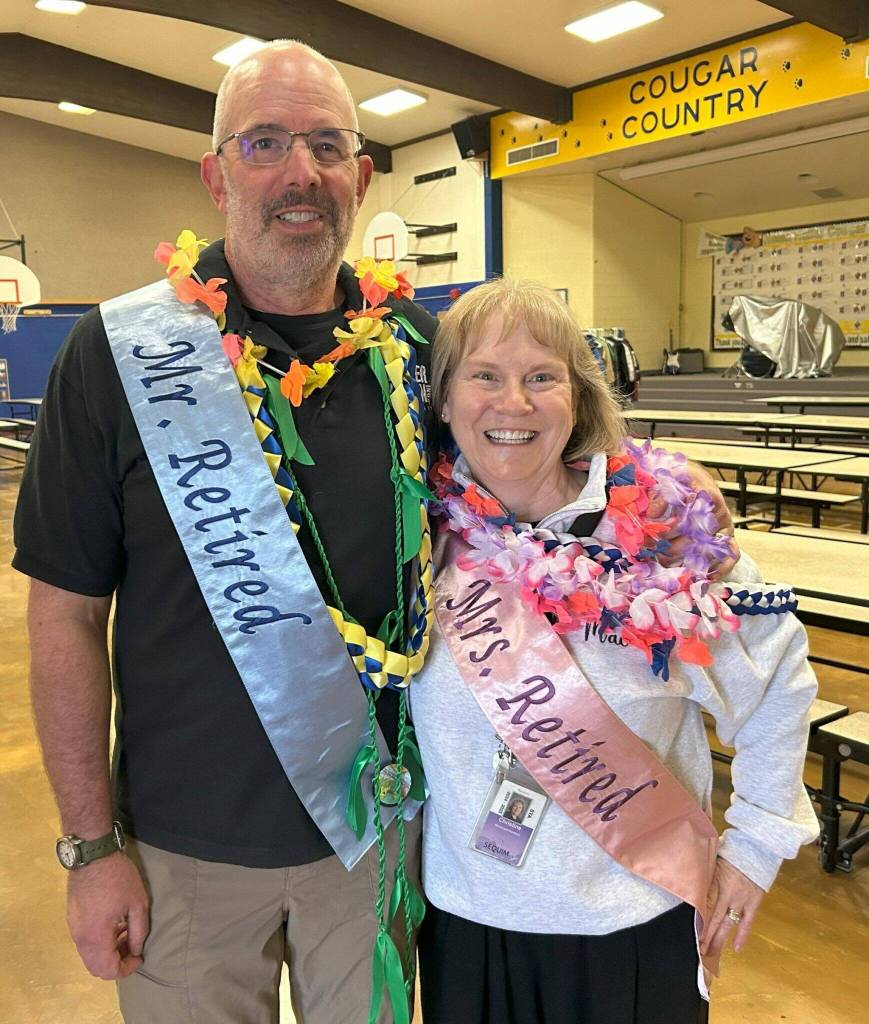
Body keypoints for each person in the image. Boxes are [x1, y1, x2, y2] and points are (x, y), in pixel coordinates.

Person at [13, 40, 736, 1024]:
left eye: (325, 145)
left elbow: (537, 492)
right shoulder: (118, 353)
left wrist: (667, 504)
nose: (297, 172)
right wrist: (91, 848)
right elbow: (62, 616)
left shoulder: (417, 354)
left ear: (358, 177)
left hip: (380, 837)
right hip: (183, 853)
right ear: (215, 173)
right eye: (263, 143)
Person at [412, 278, 819, 1024]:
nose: (514, 403)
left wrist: (755, 849)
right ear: (442, 401)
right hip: (466, 922)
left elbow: (776, 682)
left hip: (632, 921)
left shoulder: (665, 527)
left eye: (542, 376)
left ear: (577, 396)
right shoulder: (415, 531)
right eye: (483, 376)